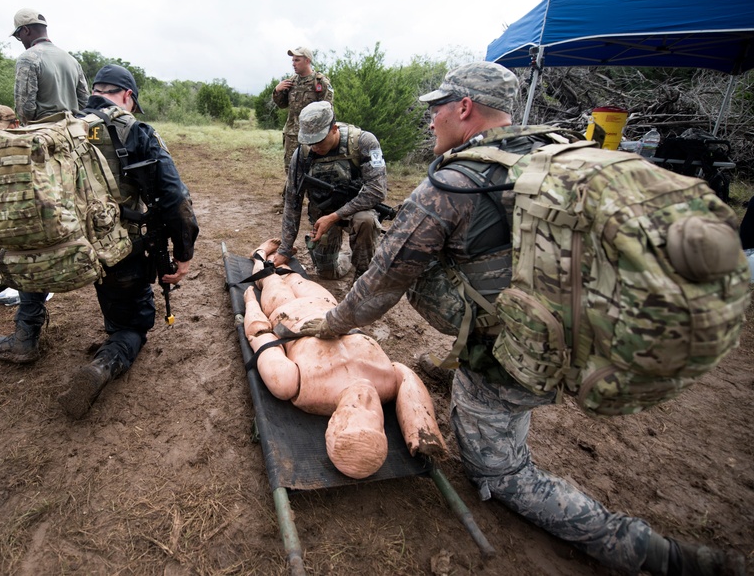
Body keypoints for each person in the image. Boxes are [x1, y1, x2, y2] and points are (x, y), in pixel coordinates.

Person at [298, 62, 745, 576]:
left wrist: (332, 323)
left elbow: (382, 281)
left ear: (464, 108)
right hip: (586, 323)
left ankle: (648, 551)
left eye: (436, 108)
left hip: (517, 356)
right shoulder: (554, 152)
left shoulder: (453, 186)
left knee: (501, 471)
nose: (430, 121)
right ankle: (468, 368)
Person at [0, 64, 200, 422]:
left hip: (56, 251)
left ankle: (25, 338)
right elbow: (175, 197)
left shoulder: (59, 126)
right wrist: (184, 253)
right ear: (128, 97)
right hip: (117, 252)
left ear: (95, 90)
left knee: (41, 269)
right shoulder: (135, 130)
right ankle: (106, 362)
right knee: (133, 324)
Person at [243, 238, 447, 479]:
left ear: (334, 423)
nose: (365, 399)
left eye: (355, 411)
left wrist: (250, 301)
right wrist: (422, 431)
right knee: (295, 277)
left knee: (271, 278)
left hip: (288, 312)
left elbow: (260, 335)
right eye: (373, 416)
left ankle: (260, 253)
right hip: (330, 308)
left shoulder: (295, 385)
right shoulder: (388, 382)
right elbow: (407, 378)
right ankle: (277, 258)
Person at [272, 100, 387, 280]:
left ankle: (362, 276)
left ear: (334, 128)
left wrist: (335, 217)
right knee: (327, 273)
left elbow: (377, 190)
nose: (315, 147)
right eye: (310, 142)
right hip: (322, 213)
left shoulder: (363, 142)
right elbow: (292, 201)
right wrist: (285, 249)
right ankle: (347, 257)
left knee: (365, 221)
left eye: (319, 140)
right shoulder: (302, 154)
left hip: (355, 210)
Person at [10, 7, 90, 125]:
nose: (20, 40)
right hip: (72, 133)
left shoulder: (28, 58)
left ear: (26, 30)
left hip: (43, 133)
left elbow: (26, 108)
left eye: (18, 35)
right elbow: (85, 102)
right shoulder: (72, 60)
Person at [272, 46, 333, 170]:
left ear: (307, 61)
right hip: (292, 134)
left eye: (297, 60)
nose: (293, 64)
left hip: (313, 136)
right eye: (293, 60)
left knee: (313, 169)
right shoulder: (291, 82)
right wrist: (277, 90)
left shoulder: (320, 82)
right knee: (291, 169)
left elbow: (328, 109)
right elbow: (282, 104)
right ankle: (292, 190)